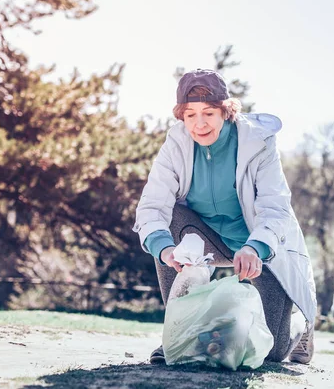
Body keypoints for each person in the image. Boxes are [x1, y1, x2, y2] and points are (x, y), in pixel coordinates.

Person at [132, 69, 317, 365]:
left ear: (225, 111)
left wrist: (256, 247)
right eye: (190, 115)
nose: (199, 124)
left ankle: (299, 327)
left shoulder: (258, 143)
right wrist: (164, 250)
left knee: (271, 353)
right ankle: (178, 336)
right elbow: (152, 206)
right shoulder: (176, 144)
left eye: (208, 113)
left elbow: (276, 207)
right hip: (208, 240)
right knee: (167, 223)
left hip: (260, 248)